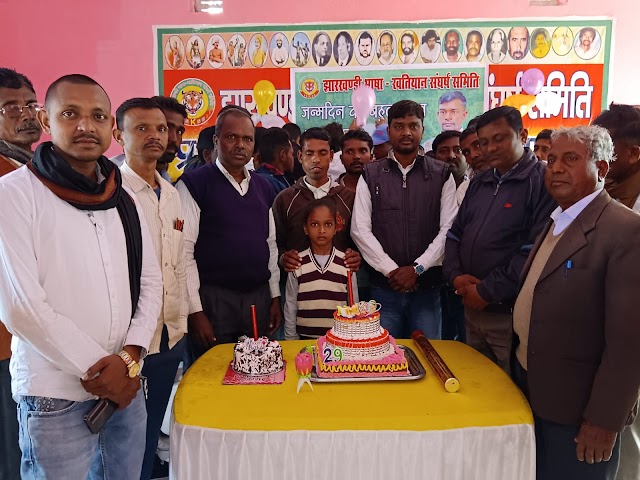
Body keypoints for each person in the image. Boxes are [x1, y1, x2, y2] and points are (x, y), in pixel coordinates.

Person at [0, 74, 162, 479]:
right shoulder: (14, 194)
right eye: (70, 114)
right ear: (45, 120)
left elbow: (151, 283)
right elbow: (21, 308)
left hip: (126, 387)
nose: (86, 126)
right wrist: (103, 370)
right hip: (54, 395)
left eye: (98, 116)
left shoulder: (122, 196)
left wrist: (130, 358)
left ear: (111, 127)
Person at [512, 126, 640, 480]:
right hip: (535, 389)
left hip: (579, 408)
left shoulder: (626, 231)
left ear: (601, 168)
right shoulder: (559, 219)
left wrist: (604, 419)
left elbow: (629, 344)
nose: (555, 168)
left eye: (570, 159)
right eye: (551, 158)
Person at [443, 106, 556, 373]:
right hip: (470, 306)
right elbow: (455, 234)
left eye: (499, 139)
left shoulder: (542, 182)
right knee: (475, 380)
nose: (490, 148)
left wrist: (487, 291)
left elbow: (534, 249)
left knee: (508, 386)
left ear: (522, 135)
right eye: (484, 142)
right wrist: (455, 276)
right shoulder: (480, 182)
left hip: (508, 313)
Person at [113, 97, 187, 480]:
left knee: (151, 430)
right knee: (121, 445)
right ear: (119, 135)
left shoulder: (170, 193)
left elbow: (179, 263)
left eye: (161, 128)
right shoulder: (111, 193)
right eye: (142, 128)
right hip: (127, 343)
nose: (156, 136)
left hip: (169, 335)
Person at [177, 107, 282, 360]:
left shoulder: (264, 187)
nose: (240, 145)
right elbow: (184, 252)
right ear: (216, 140)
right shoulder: (194, 184)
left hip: (258, 299)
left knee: (258, 372)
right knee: (212, 373)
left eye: (247, 139)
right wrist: (195, 311)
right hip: (213, 302)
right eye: (231, 137)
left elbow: (270, 244)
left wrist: (275, 296)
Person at [352, 100, 458, 340]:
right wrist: (392, 271)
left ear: (423, 129)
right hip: (385, 289)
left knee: (430, 354)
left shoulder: (442, 174)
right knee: (383, 355)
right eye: (399, 126)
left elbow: (448, 228)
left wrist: (417, 269)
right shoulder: (371, 174)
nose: (407, 132)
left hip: (427, 288)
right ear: (389, 131)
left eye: (413, 126)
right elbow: (360, 229)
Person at [0, 67, 42, 480]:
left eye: (30, 104)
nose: (26, 114)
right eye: (11, 107)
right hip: (6, 337)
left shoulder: (37, 168)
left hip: (34, 339)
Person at [273, 127, 361, 275]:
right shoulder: (285, 199)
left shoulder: (349, 198)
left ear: (331, 156)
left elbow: (360, 241)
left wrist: (356, 256)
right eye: (309, 153)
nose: (316, 159)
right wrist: (283, 258)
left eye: (322, 153)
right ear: (300, 156)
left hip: (340, 283)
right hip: (299, 284)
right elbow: (275, 243)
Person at [284, 198, 359, 339]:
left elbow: (353, 306)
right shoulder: (297, 264)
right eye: (314, 224)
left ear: (336, 228)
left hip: (338, 340)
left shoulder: (346, 264)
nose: (322, 230)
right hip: (304, 340)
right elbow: (290, 306)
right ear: (305, 228)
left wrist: (351, 338)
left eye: (328, 224)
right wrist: (290, 339)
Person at [151, 96, 187, 183]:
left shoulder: (165, 178)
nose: (174, 139)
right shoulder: (119, 178)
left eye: (179, 132)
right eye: (165, 128)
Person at [433, 130, 471, 205]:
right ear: (434, 158)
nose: (451, 156)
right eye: (443, 151)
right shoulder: (425, 190)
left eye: (457, 150)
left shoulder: (477, 188)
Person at [255, 127, 294, 195]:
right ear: (283, 155)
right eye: (292, 154)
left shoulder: (254, 178)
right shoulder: (277, 187)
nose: (293, 158)